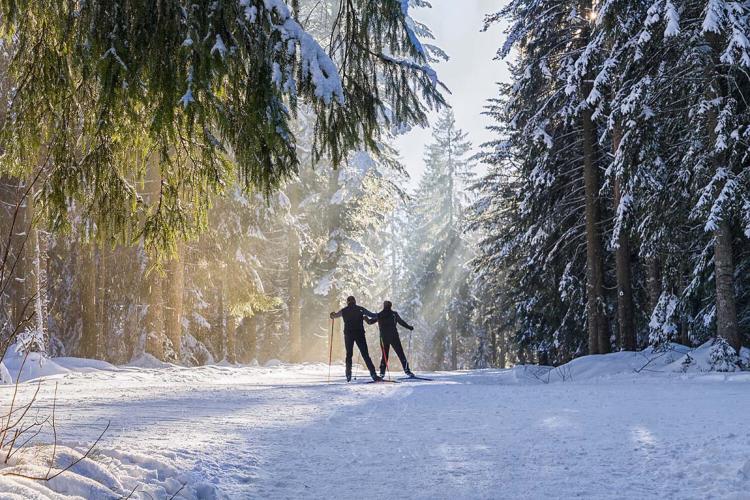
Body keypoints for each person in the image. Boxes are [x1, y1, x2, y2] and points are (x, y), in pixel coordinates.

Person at [330, 296, 382, 382]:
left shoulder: (344, 310)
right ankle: (373, 374)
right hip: (359, 334)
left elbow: (335, 316)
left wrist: (332, 315)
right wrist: (379, 315)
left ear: (348, 302)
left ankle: (348, 374)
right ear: (355, 301)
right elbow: (372, 315)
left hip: (348, 334)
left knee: (349, 354)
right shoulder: (360, 309)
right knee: (365, 355)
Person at [366, 300, 415, 378]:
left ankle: (382, 373)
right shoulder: (394, 314)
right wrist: (409, 327)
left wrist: (365, 318)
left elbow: (370, 322)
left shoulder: (380, 314)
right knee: (400, 353)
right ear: (391, 306)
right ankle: (407, 371)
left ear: (384, 306)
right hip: (394, 337)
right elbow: (401, 322)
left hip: (384, 338)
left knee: (385, 355)